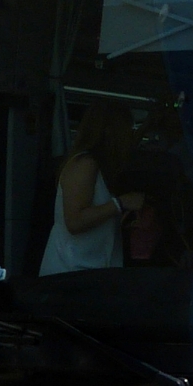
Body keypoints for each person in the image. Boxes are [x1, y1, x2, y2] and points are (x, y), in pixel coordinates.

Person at [39, 102, 145, 275]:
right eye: (127, 128)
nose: (129, 134)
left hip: (91, 272)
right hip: (70, 272)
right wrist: (120, 204)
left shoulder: (101, 167)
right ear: (110, 131)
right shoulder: (84, 164)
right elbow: (74, 221)